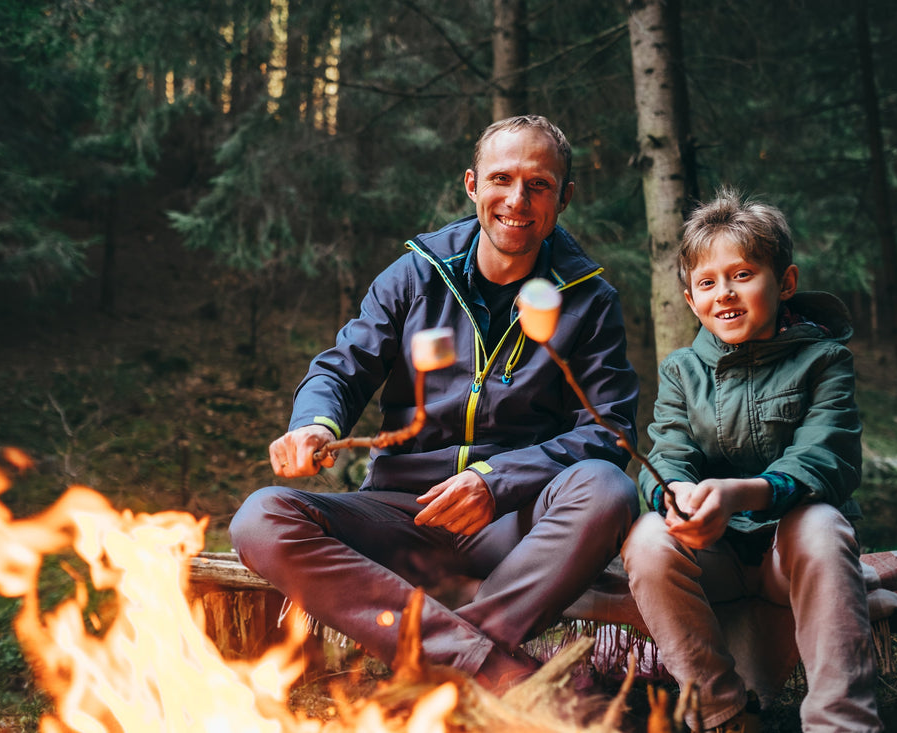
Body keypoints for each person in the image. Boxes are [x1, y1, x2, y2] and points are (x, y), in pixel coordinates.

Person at [230, 115, 641, 692]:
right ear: (472, 186)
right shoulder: (416, 275)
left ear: (564, 197)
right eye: (502, 179)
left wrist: (497, 480)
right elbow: (344, 365)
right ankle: (494, 676)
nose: (516, 200)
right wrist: (315, 425)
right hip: (403, 512)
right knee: (261, 519)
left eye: (539, 184)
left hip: (514, 528)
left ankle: (437, 675)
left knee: (606, 488)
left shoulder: (591, 302)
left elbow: (608, 432)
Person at [622, 189, 883, 732]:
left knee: (821, 523)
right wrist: (676, 499)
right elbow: (667, 454)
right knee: (646, 537)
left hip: (785, 564)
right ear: (691, 301)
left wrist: (743, 493)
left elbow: (826, 457)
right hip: (711, 557)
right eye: (708, 283)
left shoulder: (824, 360)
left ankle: (842, 720)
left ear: (784, 284)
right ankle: (722, 713)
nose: (725, 294)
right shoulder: (680, 372)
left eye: (742, 274)